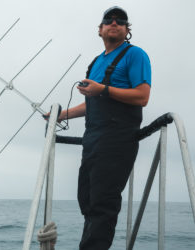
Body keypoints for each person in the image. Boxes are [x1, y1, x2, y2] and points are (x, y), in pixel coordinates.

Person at [56, 6, 151, 249]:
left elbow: (142, 96)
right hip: (93, 138)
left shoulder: (135, 55)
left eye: (121, 21)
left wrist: (103, 89)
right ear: (100, 30)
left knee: (102, 202)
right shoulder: (96, 63)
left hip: (118, 138)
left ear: (127, 30)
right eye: (109, 20)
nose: (114, 22)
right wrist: (61, 115)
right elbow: (92, 103)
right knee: (86, 199)